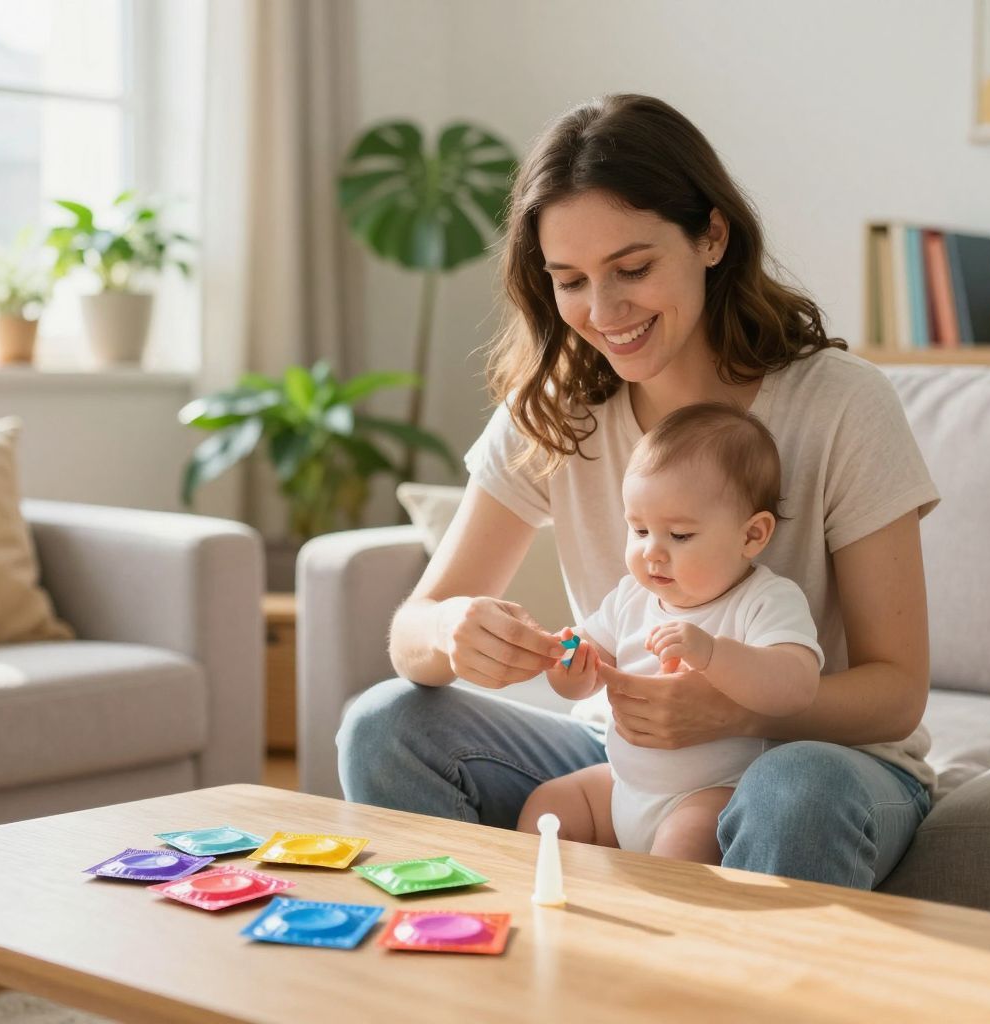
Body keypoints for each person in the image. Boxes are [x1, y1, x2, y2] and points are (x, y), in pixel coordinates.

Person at [336, 93, 940, 889]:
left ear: (712, 235)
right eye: (571, 280)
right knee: (384, 725)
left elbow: (896, 693)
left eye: (633, 269)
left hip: (818, 760)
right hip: (627, 757)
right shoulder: (553, 411)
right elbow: (412, 631)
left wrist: (737, 708)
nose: (604, 311)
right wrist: (452, 631)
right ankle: (494, 978)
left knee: (795, 790)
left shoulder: (839, 405)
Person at [516, 403, 823, 862]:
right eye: (638, 530)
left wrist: (714, 654)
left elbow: (796, 686)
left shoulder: (764, 600)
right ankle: (549, 910)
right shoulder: (629, 598)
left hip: (709, 795)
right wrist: (570, 663)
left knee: (679, 852)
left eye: (679, 536)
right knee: (550, 807)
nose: (652, 553)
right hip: (625, 785)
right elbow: (584, 679)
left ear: (752, 536)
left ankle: (655, 924)